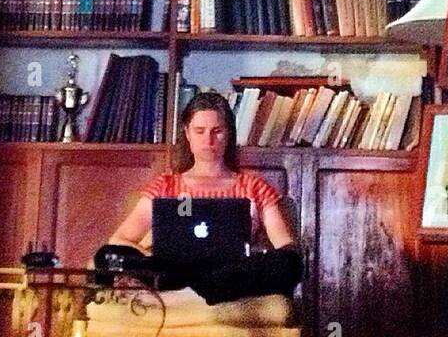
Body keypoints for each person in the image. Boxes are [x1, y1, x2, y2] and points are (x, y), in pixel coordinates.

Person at [106, 90, 303, 306]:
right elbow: (119, 239)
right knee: (108, 255)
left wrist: (256, 261)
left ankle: (207, 285)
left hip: (232, 272)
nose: (208, 140)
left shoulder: (255, 187)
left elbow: (285, 245)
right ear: (187, 133)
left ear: (228, 134)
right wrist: (155, 259)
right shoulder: (165, 186)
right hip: (175, 269)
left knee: (290, 262)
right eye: (199, 131)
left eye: (216, 131)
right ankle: (200, 283)